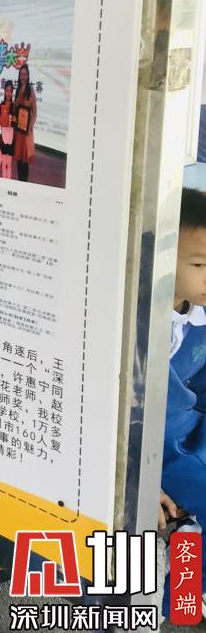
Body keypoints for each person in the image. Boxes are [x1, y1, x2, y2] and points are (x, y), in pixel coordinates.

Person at [161, 189, 206, 549]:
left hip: (193, 436)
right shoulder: (134, 323)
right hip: (162, 449)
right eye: (200, 265)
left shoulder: (199, 315)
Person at [14, 64, 38, 183]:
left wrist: (31, 126)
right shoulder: (18, 90)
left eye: (25, 74)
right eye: (21, 74)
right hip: (19, 131)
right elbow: (16, 108)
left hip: (26, 132)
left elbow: (35, 112)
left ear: (28, 76)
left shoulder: (31, 91)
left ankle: (24, 183)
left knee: (25, 161)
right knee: (19, 160)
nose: (23, 77)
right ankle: (20, 182)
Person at [0, 79, 16, 179]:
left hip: (11, 138)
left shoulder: (14, 106)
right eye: (7, 91)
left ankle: (8, 183)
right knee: (3, 164)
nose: (8, 93)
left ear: (12, 92)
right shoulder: (2, 105)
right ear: (4, 91)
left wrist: (14, 120)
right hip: (4, 137)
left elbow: (16, 123)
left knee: (9, 165)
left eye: (10, 91)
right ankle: (3, 183)